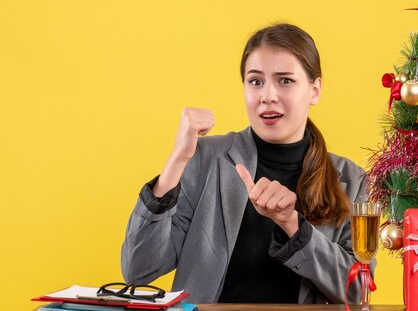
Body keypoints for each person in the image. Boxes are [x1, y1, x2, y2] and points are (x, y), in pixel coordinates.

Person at [121, 23, 369, 304]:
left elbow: (358, 292)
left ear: (315, 90)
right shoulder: (205, 159)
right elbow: (138, 269)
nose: (268, 96)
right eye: (255, 81)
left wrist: (293, 226)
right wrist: (177, 160)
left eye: (285, 80)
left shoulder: (352, 180)